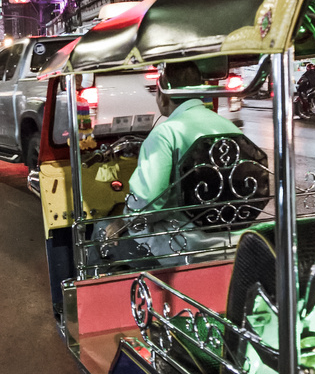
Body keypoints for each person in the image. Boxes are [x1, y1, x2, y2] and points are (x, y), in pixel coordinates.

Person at [99, 61, 245, 264]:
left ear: (163, 92)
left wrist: (121, 221)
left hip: (181, 247)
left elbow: (147, 205)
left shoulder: (165, 134)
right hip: (233, 242)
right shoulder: (229, 127)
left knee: (101, 234)